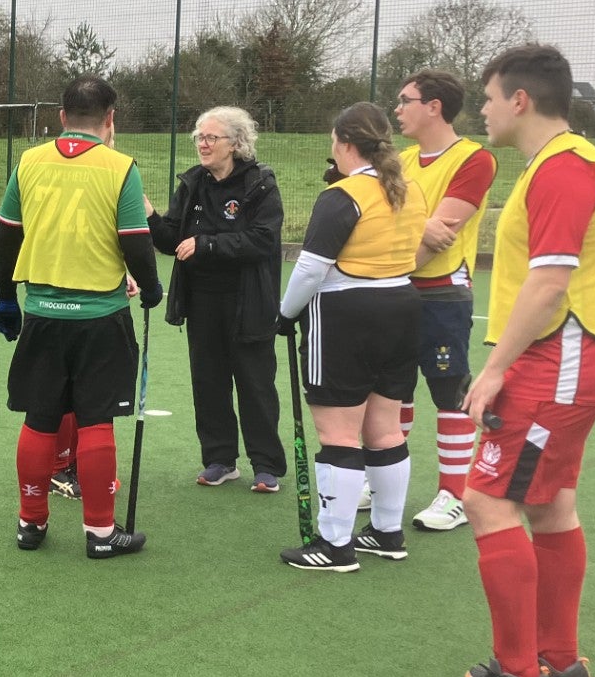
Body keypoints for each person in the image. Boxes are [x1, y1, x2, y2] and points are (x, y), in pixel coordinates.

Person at [429, 44, 595, 677]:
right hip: (575, 358)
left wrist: (494, 368)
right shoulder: (557, 164)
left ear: (520, 100)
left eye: (487, 97)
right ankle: (558, 663)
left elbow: (548, 285)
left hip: (558, 359)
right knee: (550, 503)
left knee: (485, 501)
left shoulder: (564, 170)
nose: (481, 109)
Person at [0, 75, 163, 558]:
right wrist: (150, 289)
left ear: (62, 116)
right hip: (101, 318)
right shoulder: (120, 167)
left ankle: (31, 524)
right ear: (110, 120)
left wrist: (6, 299)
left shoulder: (28, 162)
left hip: (42, 314)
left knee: (39, 418)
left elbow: (5, 237)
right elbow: (136, 240)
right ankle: (101, 535)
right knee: (95, 421)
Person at [274, 103, 425, 571]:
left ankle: (334, 545)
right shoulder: (410, 190)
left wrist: (284, 314)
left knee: (337, 432)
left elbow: (310, 269)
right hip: (403, 308)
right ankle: (385, 532)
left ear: (345, 143)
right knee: (384, 429)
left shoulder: (343, 195)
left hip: (345, 315)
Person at [146, 106, 287, 492]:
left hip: (249, 302)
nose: (203, 144)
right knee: (208, 382)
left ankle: (267, 465)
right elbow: (173, 239)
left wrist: (208, 244)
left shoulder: (259, 184)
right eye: (199, 137)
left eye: (211, 138)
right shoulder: (192, 184)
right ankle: (220, 459)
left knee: (255, 384)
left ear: (235, 143)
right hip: (202, 301)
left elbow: (262, 239)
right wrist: (149, 216)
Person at [391, 70, 497, 532]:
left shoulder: (475, 159)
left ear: (434, 106)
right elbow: (385, 225)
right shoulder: (401, 161)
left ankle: (454, 496)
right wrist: (414, 230)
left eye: (405, 100)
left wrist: (396, 250)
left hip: (442, 294)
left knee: (448, 393)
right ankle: (385, 479)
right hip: (396, 289)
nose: (397, 109)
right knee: (391, 390)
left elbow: (441, 235)